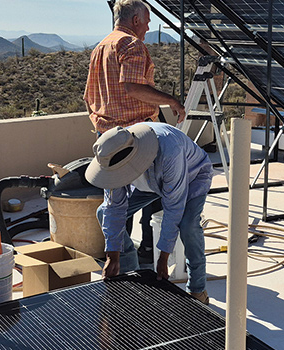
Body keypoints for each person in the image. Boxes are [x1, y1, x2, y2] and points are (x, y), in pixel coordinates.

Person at [85, 0, 186, 261]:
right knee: (153, 191)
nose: (148, 28)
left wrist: (101, 125)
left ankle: (118, 257)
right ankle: (144, 253)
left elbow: (88, 96)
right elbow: (132, 87)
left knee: (116, 196)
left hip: (107, 135)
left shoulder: (101, 46)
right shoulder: (131, 43)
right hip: (135, 137)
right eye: (147, 21)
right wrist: (171, 101)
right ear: (136, 19)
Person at [86, 121, 213, 304]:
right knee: (103, 212)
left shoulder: (170, 151)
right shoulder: (113, 154)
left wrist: (163, 257)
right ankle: (132, 273)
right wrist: (112, 256)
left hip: (192, 176)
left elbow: (173, 207)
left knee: (188, 225)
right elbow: (114, 207)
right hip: (150, 183)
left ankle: (197, 290)